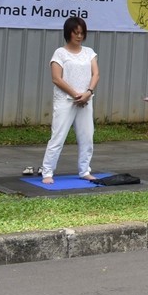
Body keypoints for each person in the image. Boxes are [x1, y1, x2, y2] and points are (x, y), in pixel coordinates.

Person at [39, 16, 100, 184]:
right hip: (65, 101)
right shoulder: (60, 53)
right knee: (58, 137)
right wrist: (75, 94)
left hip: (86, 100)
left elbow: (95, 74)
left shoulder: (89, 52)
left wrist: (88, 92)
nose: (79, 36)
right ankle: (47, 172)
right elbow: (56, 78)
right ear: (68, 33)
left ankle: (85, 170)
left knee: (87, 137)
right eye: (76, 33)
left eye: (81, 33)